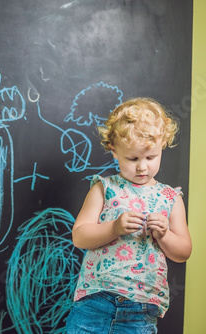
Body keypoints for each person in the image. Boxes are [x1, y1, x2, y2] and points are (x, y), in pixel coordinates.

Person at [65, 98, 192, 333]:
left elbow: (183, 252)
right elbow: (79, 237)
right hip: (95, 301)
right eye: (132, 159)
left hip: (142, 309)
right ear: (114, 152)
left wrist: (164, 235)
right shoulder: (103, 188)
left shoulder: (171, 197)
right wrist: (113, 228)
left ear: (162, 144)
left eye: (150, 157)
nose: (142, 167)